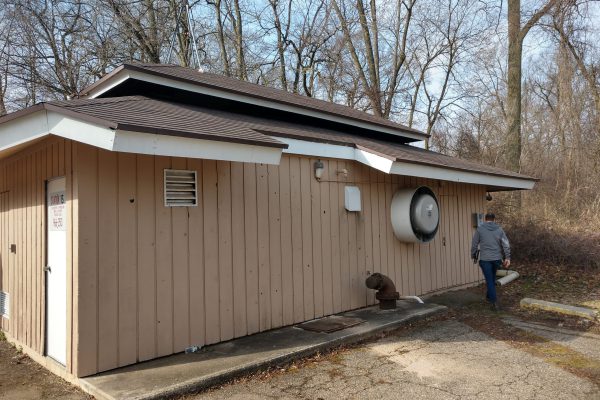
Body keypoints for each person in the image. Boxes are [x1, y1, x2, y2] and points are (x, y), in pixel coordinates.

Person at [471, 212, 511, 311]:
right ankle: (489, 297)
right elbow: (506, 244)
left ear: (485, 219)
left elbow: (474, 244)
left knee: (489, 280)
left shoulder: (480, 229)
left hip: (485, 260)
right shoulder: (499, 229)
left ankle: (494, 302)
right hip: (497, 259)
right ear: (494, 219)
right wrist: (507, 257)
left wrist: (473, 254)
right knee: (492, 278)